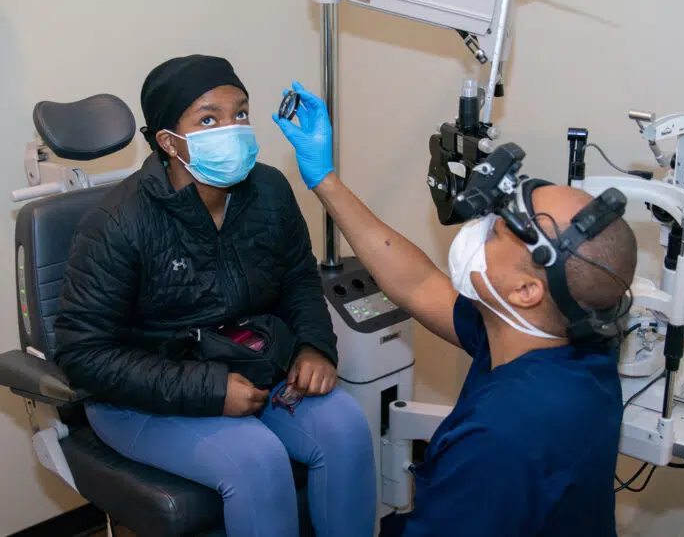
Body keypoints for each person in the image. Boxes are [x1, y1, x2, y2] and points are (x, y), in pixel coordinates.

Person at [274, 82, 639, 536]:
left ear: (527, 290)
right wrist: (324, 179)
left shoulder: (498, 438)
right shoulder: (567, 347)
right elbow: (420, 285)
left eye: (500, 229)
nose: (481, 226)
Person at [52, 56, 376, 537]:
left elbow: (297, 279)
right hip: (138, 398)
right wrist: (209, 389)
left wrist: (314, 345)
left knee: (347, 427)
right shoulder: (118, 223)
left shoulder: (267, 189)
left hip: (250, 364)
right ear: (168, 141)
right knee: (256, 459)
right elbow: (83, 354)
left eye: (240, 113)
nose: (233, 128)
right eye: (209, 118)